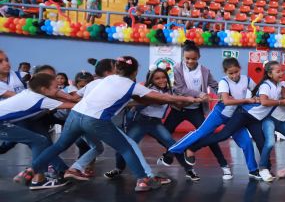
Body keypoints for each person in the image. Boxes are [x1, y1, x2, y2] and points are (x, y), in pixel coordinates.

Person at [30, 56, 194, 191]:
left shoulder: (103, 80)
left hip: (75, 114)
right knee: (126, 148)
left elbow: (75, 97)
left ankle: (31, 171)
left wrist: (56, 93)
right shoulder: (132, 85)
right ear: (135, 71)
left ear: (116, 69)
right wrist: (187, 99)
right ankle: (143, 180)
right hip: (95, 119)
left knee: (59, 146)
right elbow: (165, 98)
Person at [168, 57, 263, 180]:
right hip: (220, 113)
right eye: (231, 73)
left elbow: (258, 92)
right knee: (201, 132)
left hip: (235, 116)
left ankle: (253, 170)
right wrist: (247, 100)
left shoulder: (247, 80)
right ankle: (173, 150)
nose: (234, 75)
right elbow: (228, 102)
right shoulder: (224, 82)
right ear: (225, 73)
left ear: (240, 69)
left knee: (246, 142)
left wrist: (258, 97)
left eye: (236, 72)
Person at [104, 69, 198, 181]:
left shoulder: (171, 92)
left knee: (173, 145)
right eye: (157, 78)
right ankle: (118, 168)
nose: (161, 80)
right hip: (140, 122)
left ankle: (189, 170)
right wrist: (152, 101)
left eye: (163, 77)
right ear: (151, 80)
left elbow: (178, 104)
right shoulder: (147, 91)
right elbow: (137, 106)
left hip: (155, 123)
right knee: (125, 145)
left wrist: (195, 100)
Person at [163, 41, 232, 179]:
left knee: (207, 135)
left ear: (199, 57)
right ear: (183, 56)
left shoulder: (205, 71)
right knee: (164, 134)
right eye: (187, 58)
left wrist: (221, 93)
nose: (190, 61)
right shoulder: (177, 68)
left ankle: (224, 165)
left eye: (193, 58)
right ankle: (169, 155)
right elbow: (180, 88)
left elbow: (214, 85)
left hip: (195, 110)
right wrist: (199, 94)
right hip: (179, 108)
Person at [1, 73, 75, 187]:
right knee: (39, 141)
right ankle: (38, 179)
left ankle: (40, 177)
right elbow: (73, 106)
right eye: (56, 87)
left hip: (4, 121)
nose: (58, 89)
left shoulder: (29, 92)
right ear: (44, 89)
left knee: (40, 141)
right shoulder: (41, 100)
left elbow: (58, 96)